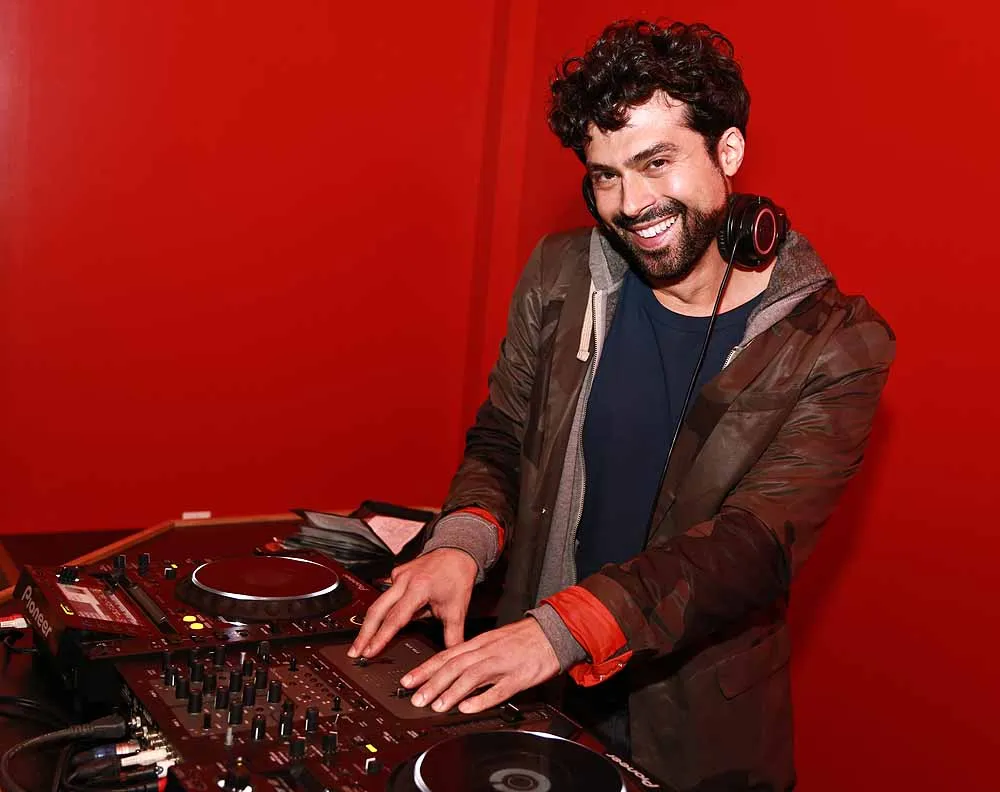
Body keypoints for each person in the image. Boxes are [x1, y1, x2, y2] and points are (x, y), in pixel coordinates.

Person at [349, 18, 894, 791]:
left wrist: (562, 631)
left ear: (728, 151)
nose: (631, 203)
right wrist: (461, 543)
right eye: (605, 175)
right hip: (534, 686)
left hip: (695, 733)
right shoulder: (562, 275)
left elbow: (752, 545)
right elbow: (505, 435)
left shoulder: (835, 343)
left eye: (656, 162)